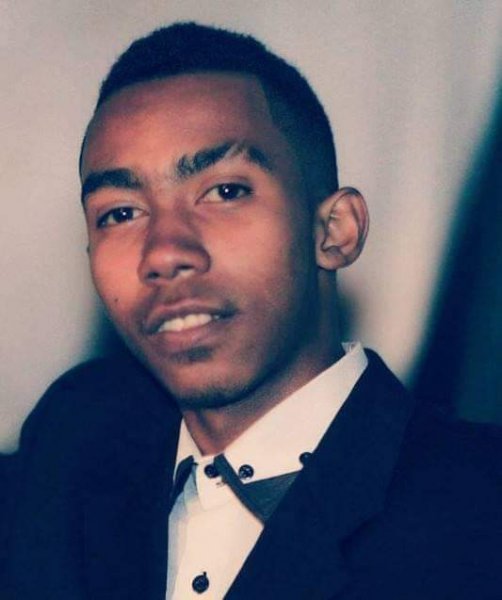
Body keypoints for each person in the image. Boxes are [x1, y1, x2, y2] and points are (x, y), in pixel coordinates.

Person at [3, 22, 502, 600]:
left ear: (333, 230)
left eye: (225, 192)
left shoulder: (478, 507)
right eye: (120, 213)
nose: (164, 252)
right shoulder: (75, 446)